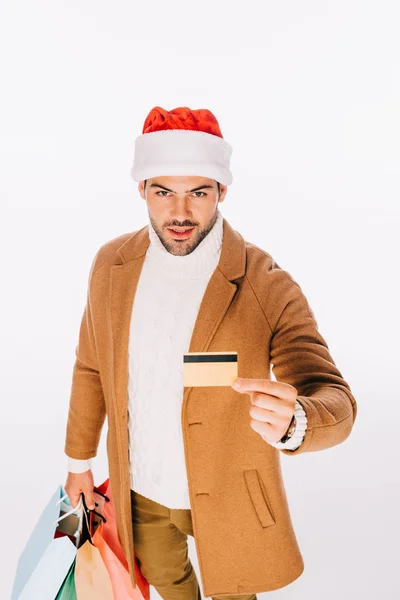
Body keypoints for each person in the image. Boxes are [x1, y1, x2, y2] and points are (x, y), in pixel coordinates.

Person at [64, 106, 357, 599]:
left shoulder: (265, 283)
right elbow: (91, 365)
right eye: (163, 193)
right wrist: (79, 462)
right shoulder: (111, 265)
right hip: (143, 493)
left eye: (198, 192)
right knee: (166, 579)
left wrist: (298, 419)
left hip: (232, 499)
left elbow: (334, 397)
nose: (180, 213)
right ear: (142, 190)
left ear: (222, 191)